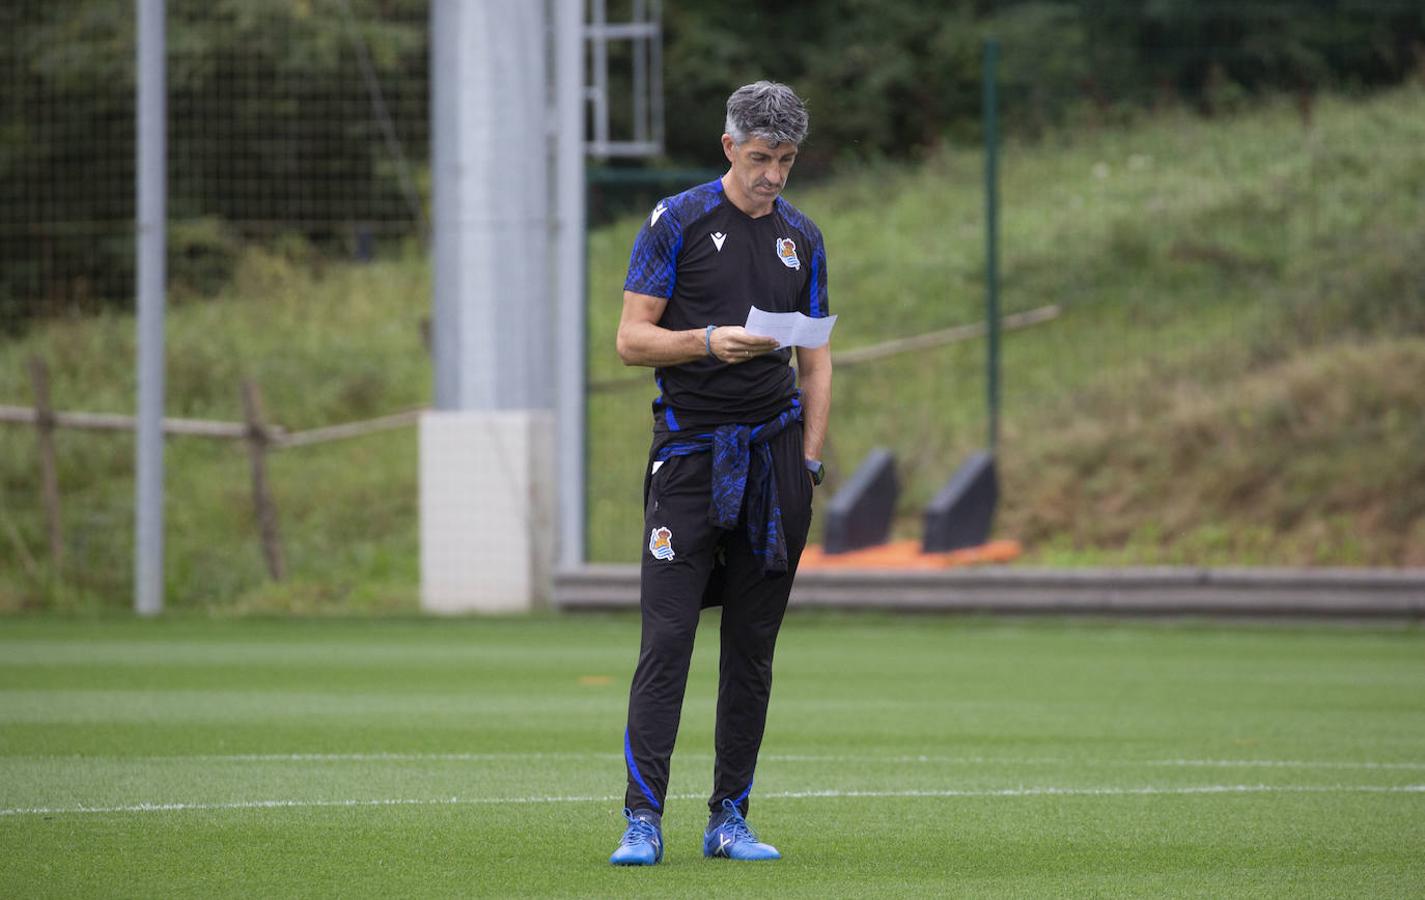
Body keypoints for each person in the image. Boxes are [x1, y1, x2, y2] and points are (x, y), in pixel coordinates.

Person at [608, 81, 833, 866]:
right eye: (761, 158)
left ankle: (728, 817)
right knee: (667, 640)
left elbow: (817, 350)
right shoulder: (676, 220)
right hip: (691, 456)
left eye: (786, 160)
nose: (773, 175)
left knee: (751, 649)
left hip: (776, 463)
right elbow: (631, 340)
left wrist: (808, 456)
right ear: (730, 147)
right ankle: (642, 819)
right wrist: (705, 341)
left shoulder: (802, 238)